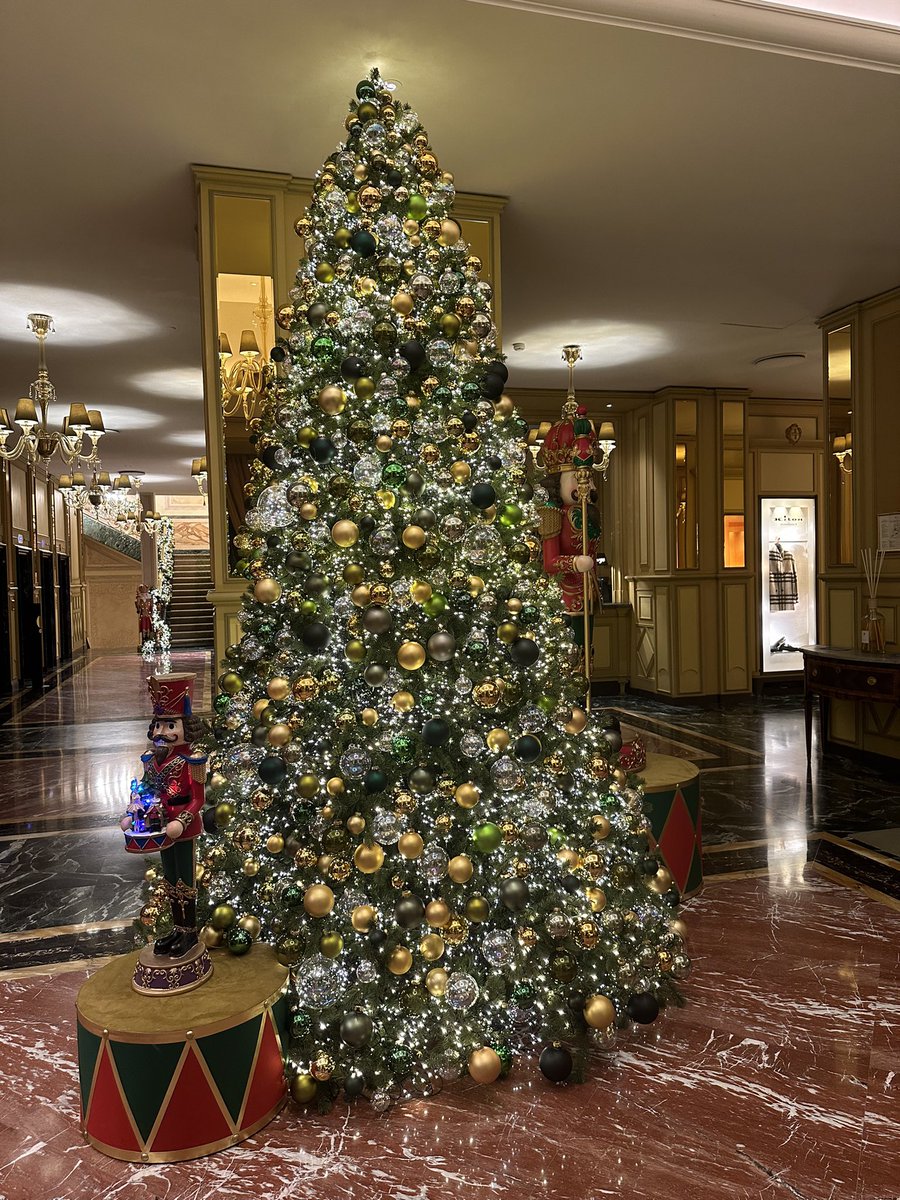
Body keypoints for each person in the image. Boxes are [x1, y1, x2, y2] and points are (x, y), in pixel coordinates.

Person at [120, 672, 207, 958]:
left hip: (182, 826)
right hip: (158, 824)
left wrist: (182, 822)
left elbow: (198, 799)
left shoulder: (192, 761)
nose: (162, 732)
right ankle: (177, 929)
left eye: (171, 725)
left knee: (185, 880)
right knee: (170, 879)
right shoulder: (150, 759)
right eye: (159, 725)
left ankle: (190, 933)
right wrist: (132, 811)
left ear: (186, 727)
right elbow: (143, 789)